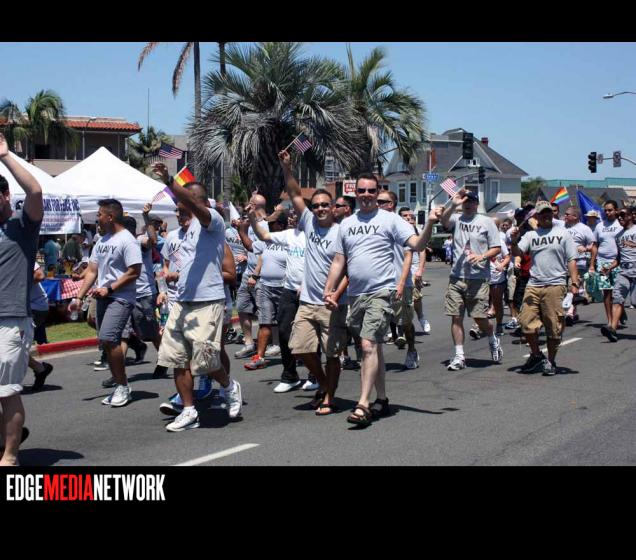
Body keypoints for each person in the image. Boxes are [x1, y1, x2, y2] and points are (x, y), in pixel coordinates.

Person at [323, 173, 439, 428]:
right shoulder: (347, 224)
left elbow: (417, 244)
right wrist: (329, 289)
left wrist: (430, 223)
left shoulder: (390, 220)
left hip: (381, 292)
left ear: (377, 193)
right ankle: (382, 399)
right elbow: (339, 260)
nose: (366, 195)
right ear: (355, 193)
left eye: (371, 191)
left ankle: (363, 404)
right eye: (361, 191)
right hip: (356, 295)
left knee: (367, 345)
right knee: (372, 348)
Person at [152, 162, 242, 432]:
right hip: (182, 301)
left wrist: (170, 181)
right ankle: (189, 410)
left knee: (205, 360)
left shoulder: (213, 221)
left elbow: (193, 205)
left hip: (208, 301)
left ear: (196, 202)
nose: (179, 210)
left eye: (184, 205)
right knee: (176, 358)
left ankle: (229, 386)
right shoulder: (184, 231)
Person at [279, 150, 347, 415]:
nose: (319, 209)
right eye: (316, 205)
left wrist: (335, 295)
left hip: (331, 305)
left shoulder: (342, 232)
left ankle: (329, 396)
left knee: (332, 354)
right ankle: (322, 383)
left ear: (333, 208)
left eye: (324, 205)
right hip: (307, 302)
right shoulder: (308, 222)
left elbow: (348, 270)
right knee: (299, 347)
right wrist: (287, 168)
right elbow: (295, 194)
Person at [70, 199, 142, 407]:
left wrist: (110, 288)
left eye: (100, 214)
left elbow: (134, 272)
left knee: (110, 338)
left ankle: (123, 385)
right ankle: (120, 384)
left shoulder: (127, 240)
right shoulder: (102, 241)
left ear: (110, 217)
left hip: (120, 297)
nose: (97, 218)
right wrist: (78, 297)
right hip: (103, 297)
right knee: (107, 342)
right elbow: (92, 271)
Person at [0, 133, 43, 466]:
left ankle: (10, 456)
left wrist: (5, 156)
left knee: (6, 391)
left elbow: (35, 191)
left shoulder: (22, 226)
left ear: (6, 196)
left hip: (11, 320)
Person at [510, 200, 580, 375]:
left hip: (555, 285)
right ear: (537, 217)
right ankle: (536, 355)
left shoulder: (563, 234)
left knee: (554, 326)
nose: (546, 215)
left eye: (549, 212)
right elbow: (518, 253)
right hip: (533, 285)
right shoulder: (531, 235)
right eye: (542, 213)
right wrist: (513, 240)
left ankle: (550, 361)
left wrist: (574, 283)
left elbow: (572, 259)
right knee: (525, 322)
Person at [440, 189, 503, 371]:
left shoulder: (486, 222)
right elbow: (443, 221)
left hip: (478, 277)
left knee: (479, 318)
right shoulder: (456, 219)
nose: (467, 204)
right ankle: (459, 356)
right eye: (465, 201)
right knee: (456, 317)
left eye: (471, 201)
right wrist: (453, 204)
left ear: (477, 204)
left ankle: (492, 337)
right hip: (457, 277)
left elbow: (496, 248)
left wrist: (482, 256)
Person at [248, 204, 306, 391]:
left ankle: (315, 376)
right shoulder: (289, 235)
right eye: (293, 214)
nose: (294, 217)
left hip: (310, 291)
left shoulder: (317, 235)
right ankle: (290, 376)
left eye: (298, 214)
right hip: (289, 290)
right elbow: (263, 236)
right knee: (283, 331)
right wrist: (251, 218)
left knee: (309, 335)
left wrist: (307, 283)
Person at [240, 210, 288, 370]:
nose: (268, 225)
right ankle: (259, 357)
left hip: (286, 288)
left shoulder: (291, 239)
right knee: (264, 323)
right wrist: (242, 230)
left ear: (280, 225)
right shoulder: (268, 239)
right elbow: (252, 247)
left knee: (287, 324)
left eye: (271, 223)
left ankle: (296, 355)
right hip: (266, 287)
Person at [378, 192, 419, 370]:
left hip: (400, 282)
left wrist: (401, 283)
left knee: (405, 322)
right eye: (377, 201)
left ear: (392, 204)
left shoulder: (401, 225)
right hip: (378, 284)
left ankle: (412, 350)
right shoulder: (372, 223)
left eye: (382, 201)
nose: (378, 204)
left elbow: (408, 255)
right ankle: (372, 358)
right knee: (375, 325)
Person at [234, 194, 269, 359]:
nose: (246, 207)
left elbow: (260, 251)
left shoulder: (267, 225)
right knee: (242, 307)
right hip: (248, 273)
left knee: (265, 312)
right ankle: (249, 343)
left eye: (249, 204)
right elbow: (248, 247)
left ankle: (271, 343)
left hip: (262, 275)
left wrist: (256, 275)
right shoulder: (251, 224)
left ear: (253, 205)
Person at [601, 207, 636, 342]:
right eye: (618, 216)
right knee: (617, 298)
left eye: (622, 215)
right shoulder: (618, 236)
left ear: (630, 216)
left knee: (634, 301)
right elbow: (619, 258)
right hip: (624, 272)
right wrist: (609, 267)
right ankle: (612, 329)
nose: (620, 218)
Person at [589, 200, 623, 328]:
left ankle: (619, 313)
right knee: (607, 292)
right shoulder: (599, 226)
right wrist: (592, 264)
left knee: (617, 292)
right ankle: (610, 320)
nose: (607, 212)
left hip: (617, 262)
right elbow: (595, 246)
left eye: (610, 210)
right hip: (602, 263)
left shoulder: (621, 225)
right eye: (606, 210)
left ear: (616, 210)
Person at [563, 207, 596, 325]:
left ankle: (569, 313)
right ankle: (574, 311)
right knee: (568, 290)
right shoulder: (562, 226)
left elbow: (593, 246)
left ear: (575, 216)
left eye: (567, 214)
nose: (565, 216)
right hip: (562, 263)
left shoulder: (584, 229)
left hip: (579, 263)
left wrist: (586, 250)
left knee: (572, 287)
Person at [28, 263, 54, 390]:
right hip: (19, 308)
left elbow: (39, 275)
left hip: (35, 308)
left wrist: (16, 280)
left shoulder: (21, 256)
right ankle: (40, 369)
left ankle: (40, 369)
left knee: (13, 346)